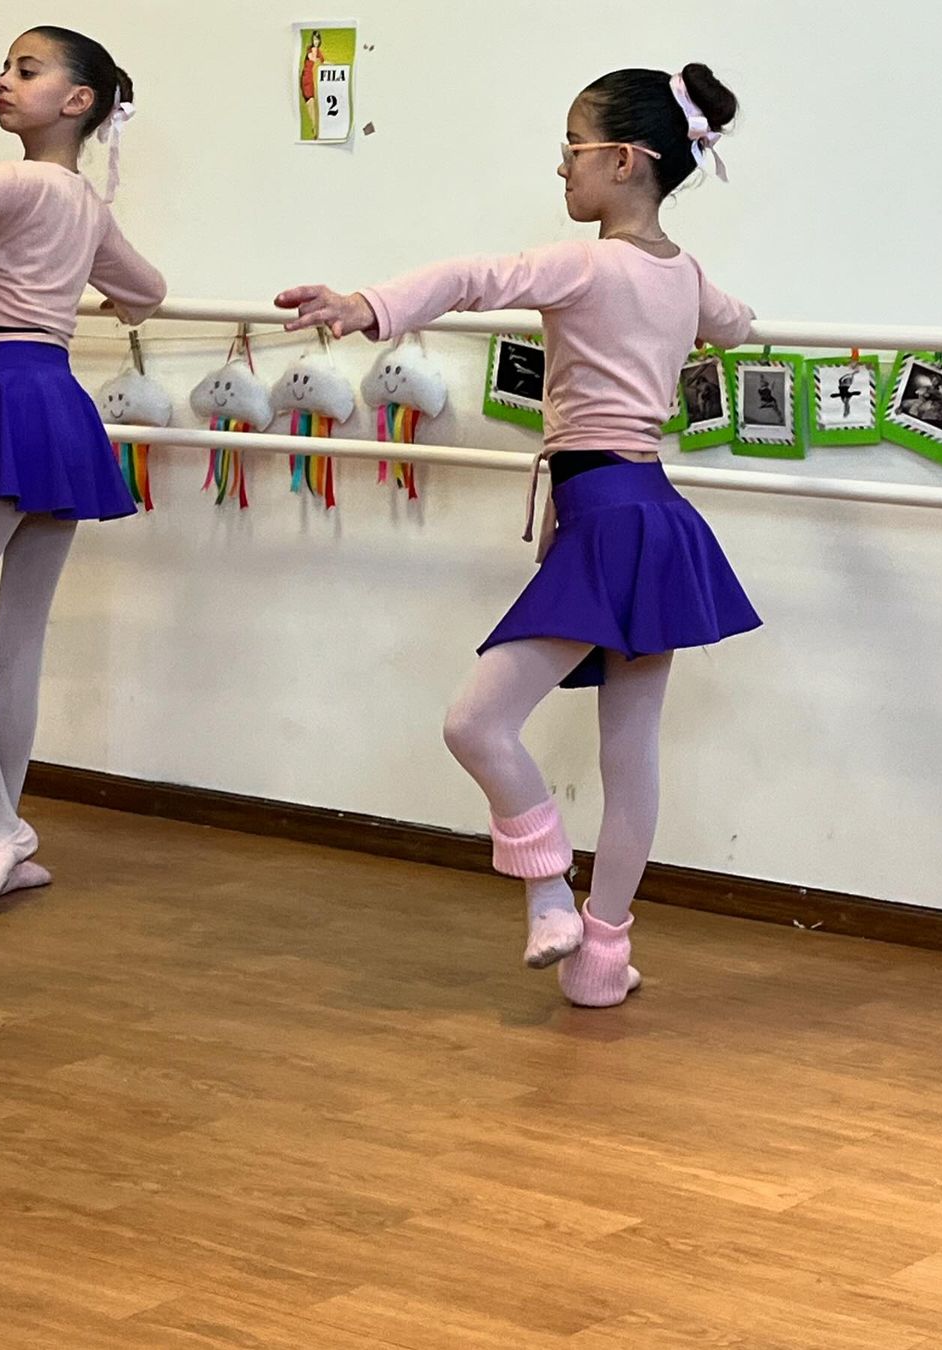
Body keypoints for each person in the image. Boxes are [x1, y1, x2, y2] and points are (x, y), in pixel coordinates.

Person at [275, 62, 759, 1006]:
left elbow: (474, 277)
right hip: (650, 511)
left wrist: (366, 306)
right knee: (631, 756)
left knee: (475, 722)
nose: (561, 167)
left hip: (611, 516)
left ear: (624, 160)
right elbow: (735, 326)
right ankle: (603, 958)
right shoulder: (685, 273)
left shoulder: (587, 264)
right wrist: (694, 325)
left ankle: (547, 891)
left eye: (572, 148)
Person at [0, 26, 166, 910]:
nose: (4, 81)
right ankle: (1, 834)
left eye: (26, 70)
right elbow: (147, 293)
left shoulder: (16, 183)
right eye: (5, 69)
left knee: (14, 644)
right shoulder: (86, 205)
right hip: (53, 399)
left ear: (78, 100)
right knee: (16, 646)